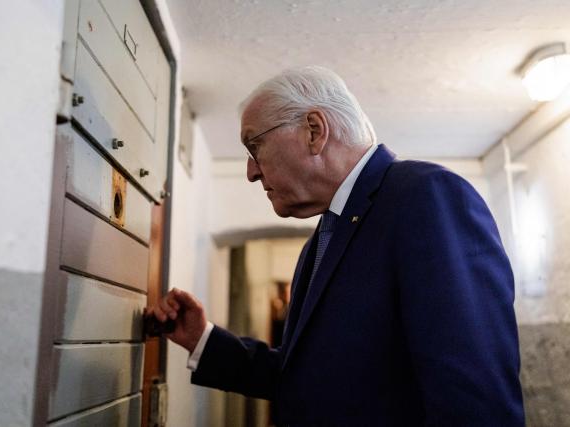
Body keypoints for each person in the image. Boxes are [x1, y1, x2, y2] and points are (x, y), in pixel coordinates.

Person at [152, 66, 524, 426]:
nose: (250, 171)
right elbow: (308, 380)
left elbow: (475, 402)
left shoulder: (427, 196)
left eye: (255, 145)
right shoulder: (322, 241)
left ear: (314, 131)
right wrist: (203, 339)